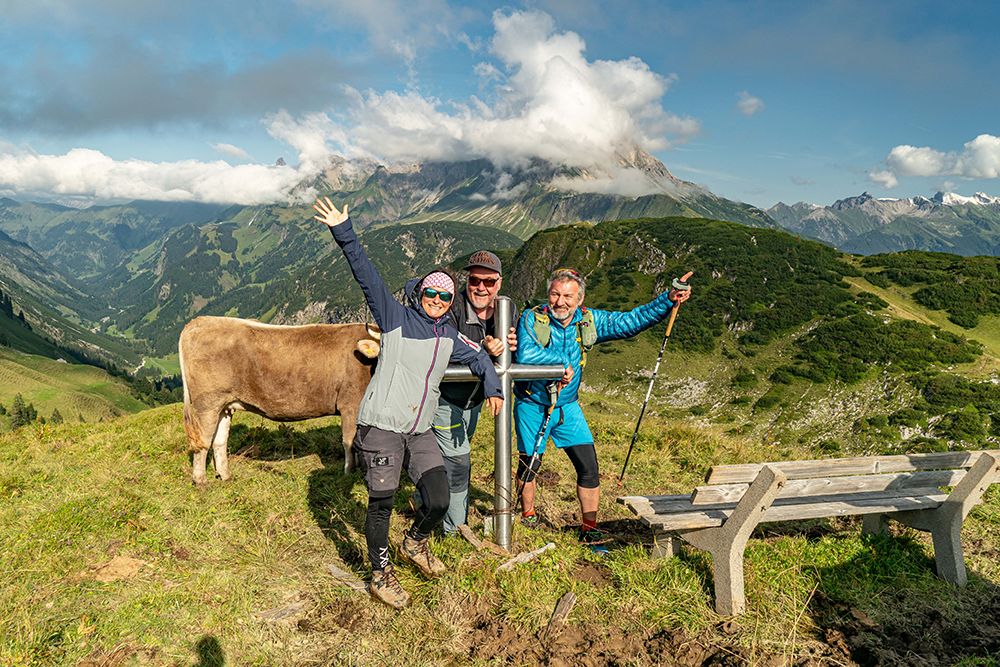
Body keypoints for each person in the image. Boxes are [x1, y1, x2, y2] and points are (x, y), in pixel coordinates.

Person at [313, 197, 504, 610]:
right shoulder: (395, 316)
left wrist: (493, 388)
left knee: (437, 498)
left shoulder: (449, 336)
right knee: (381, 504)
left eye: (446, 296)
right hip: (381, 427)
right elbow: (365, 274)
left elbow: (478, 356)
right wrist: (343, 231)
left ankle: (415, 544)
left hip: (419, 432)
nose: (437, 299)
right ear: (419, 293)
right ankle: (379, 574)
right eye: (431, 292)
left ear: (451, 304)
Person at [513, 268, 692, 545]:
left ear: (580, 298)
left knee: (589, 466)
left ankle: (589, 527)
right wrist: (560, 366)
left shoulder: (588, 321)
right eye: (555, 294)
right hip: (532, 403)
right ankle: (528, 515)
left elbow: (630, 321)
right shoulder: (533, 318)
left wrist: (668, 299)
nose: (560, 302)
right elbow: (526, 353)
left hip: (567, 406)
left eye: (568, 296)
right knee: (530, 464)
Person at [423, 250, 518, 535]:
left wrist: (515, 344)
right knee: (459, 461)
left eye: (488, 282)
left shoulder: (507, 309)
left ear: (499, 283)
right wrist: (482, 351)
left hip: (474, 401)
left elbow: (519, 345)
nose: (481, 287)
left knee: (444, 459)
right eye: (475, 280)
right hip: (444, 397)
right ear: (467, 280)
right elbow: (442, 350)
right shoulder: (451, 308)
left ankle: (422, 500)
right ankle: (453, 529)